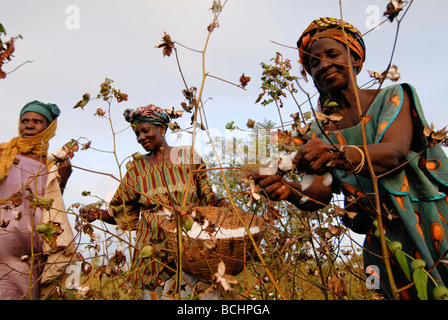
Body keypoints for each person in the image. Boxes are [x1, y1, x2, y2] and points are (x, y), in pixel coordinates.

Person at [253, 17, 448, 299]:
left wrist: (333, 153)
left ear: (355, 58)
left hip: (431, 222)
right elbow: (319, 193)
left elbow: (393, 154)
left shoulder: (394, 96)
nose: (324, 65)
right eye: (314, 63)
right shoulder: (317, 131)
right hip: (385, 241)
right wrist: (288, 191)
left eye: (332, 55)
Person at [80, 104, 229, 300]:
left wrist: (222, 202)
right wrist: (97, 214)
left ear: (162, 128)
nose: (141, 137)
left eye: (145, 130)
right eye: (137, 133)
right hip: (153, 256)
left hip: (192, 249)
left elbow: (208, 195)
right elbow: (120, 212)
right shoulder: (136, 169)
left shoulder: (186, 156)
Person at [0, 100, 75, 300]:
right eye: (25, 120)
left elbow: (51, 208)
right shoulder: (4, 156)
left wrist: (62, 179)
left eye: (37, 121)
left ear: (49, 128)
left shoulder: (53, 166)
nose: (29, 125)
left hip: (30, 249)